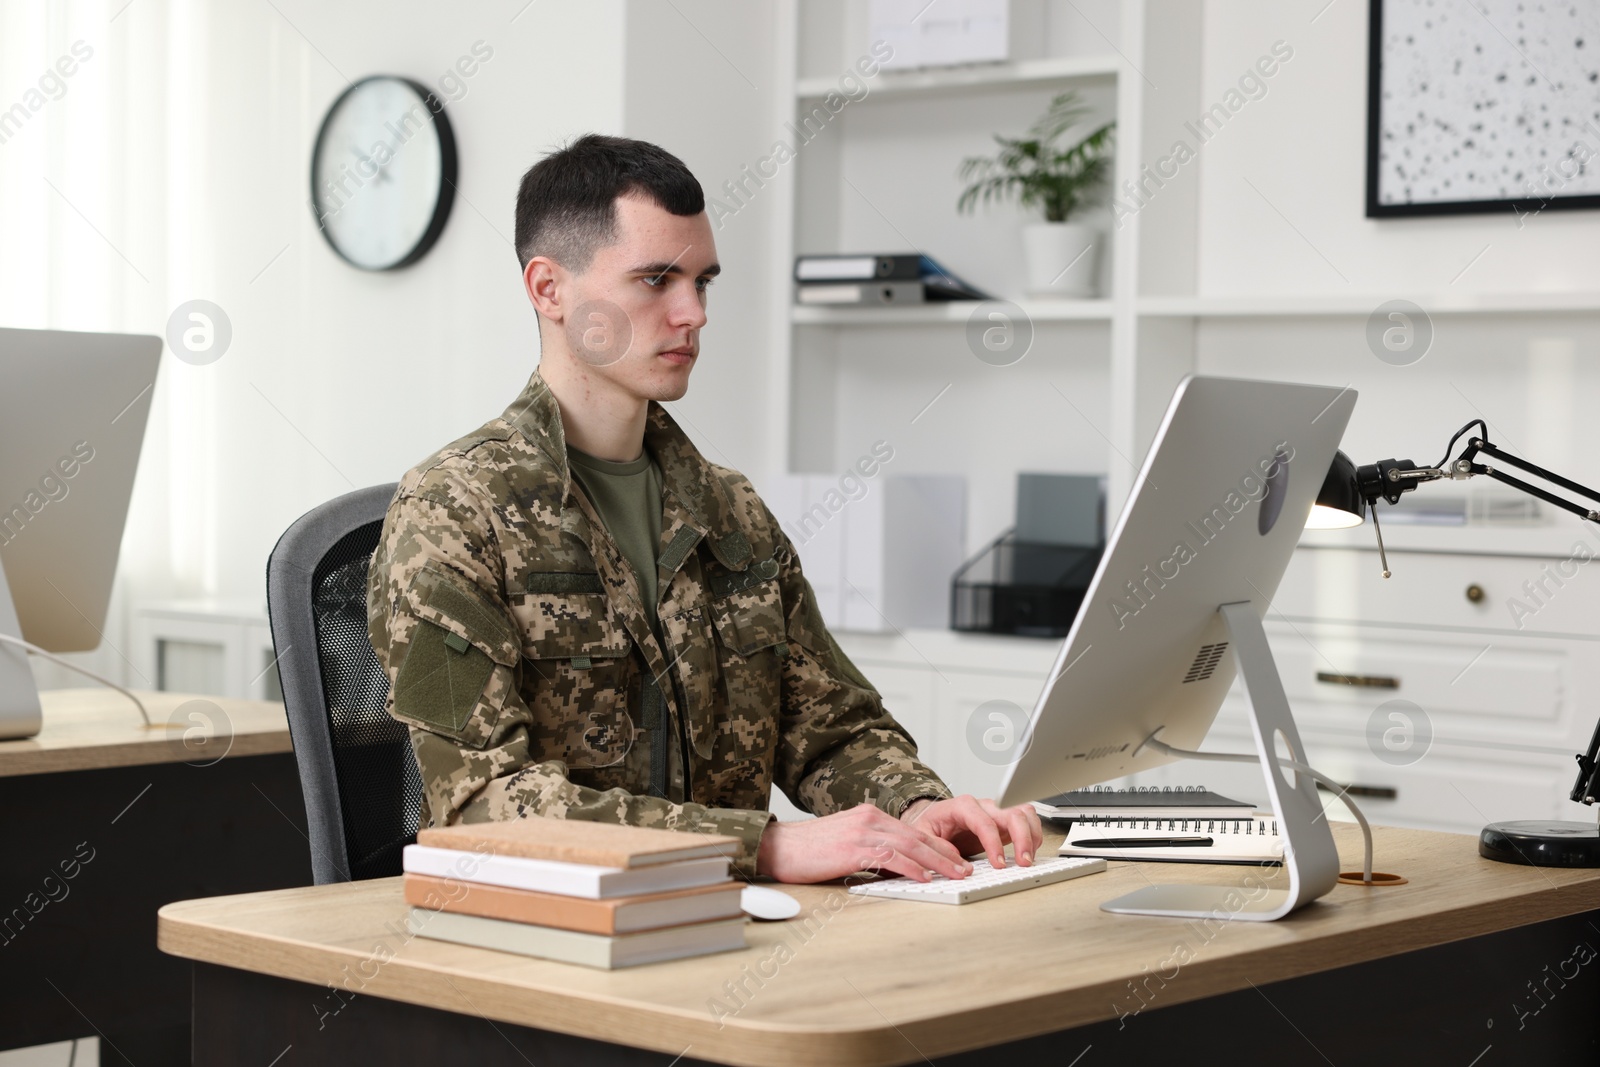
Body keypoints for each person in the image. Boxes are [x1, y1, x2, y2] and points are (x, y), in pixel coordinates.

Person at [366, 133, 1042, 883]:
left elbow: (830, 729)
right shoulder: (450, 513)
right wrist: (767, 845)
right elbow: (484, 803)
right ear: (549, 289)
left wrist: (916, 809)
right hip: (546, 943)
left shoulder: (732, 513)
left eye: (702, 281)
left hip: (732, 927)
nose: (693, 312)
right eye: (656, 280)